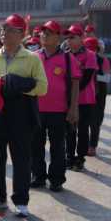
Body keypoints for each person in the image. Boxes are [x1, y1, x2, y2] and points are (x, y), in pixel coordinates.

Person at [0, 14, 47, 218]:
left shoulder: (32, 59)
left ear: (21, 34)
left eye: (9, 30)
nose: (4, 33)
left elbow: (43, 88)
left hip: (21, 116)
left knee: (21, 159)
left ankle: (21, 200)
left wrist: (20, 84)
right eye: (3, 29)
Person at [31, 21, 80, 192]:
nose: (44, 35)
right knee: (35, 145)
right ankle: (38, 176)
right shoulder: (34, 56)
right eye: (43, 32)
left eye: (49, 33)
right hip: (36, 109)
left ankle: (56, 179)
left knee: (58, 146)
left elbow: (75, 84)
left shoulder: (67, 58)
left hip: (59, 111)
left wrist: (73, 108)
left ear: (58, 37)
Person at [64, 24, 97, 172]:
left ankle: (80, 158)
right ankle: (69, 156)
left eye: (73, 37)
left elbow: (87, 78)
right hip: (68, 99)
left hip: (85, 99)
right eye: (68, 38)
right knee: (70, 129)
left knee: (83, 130)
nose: (69, 40)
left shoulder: (90, 55)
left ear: (82, 38)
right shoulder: (65, 55)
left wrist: (73, 92)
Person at [86, 37, 110, 156]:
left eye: (92, 49)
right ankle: (84, 145)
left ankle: (92, 146)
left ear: (97, 49)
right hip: (84, 94)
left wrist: (93, 76)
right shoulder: (81, 59)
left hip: (98, 94)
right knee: (83, 122)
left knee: (95, 122)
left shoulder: (102, 60)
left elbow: (107, 78)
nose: (90, 52)